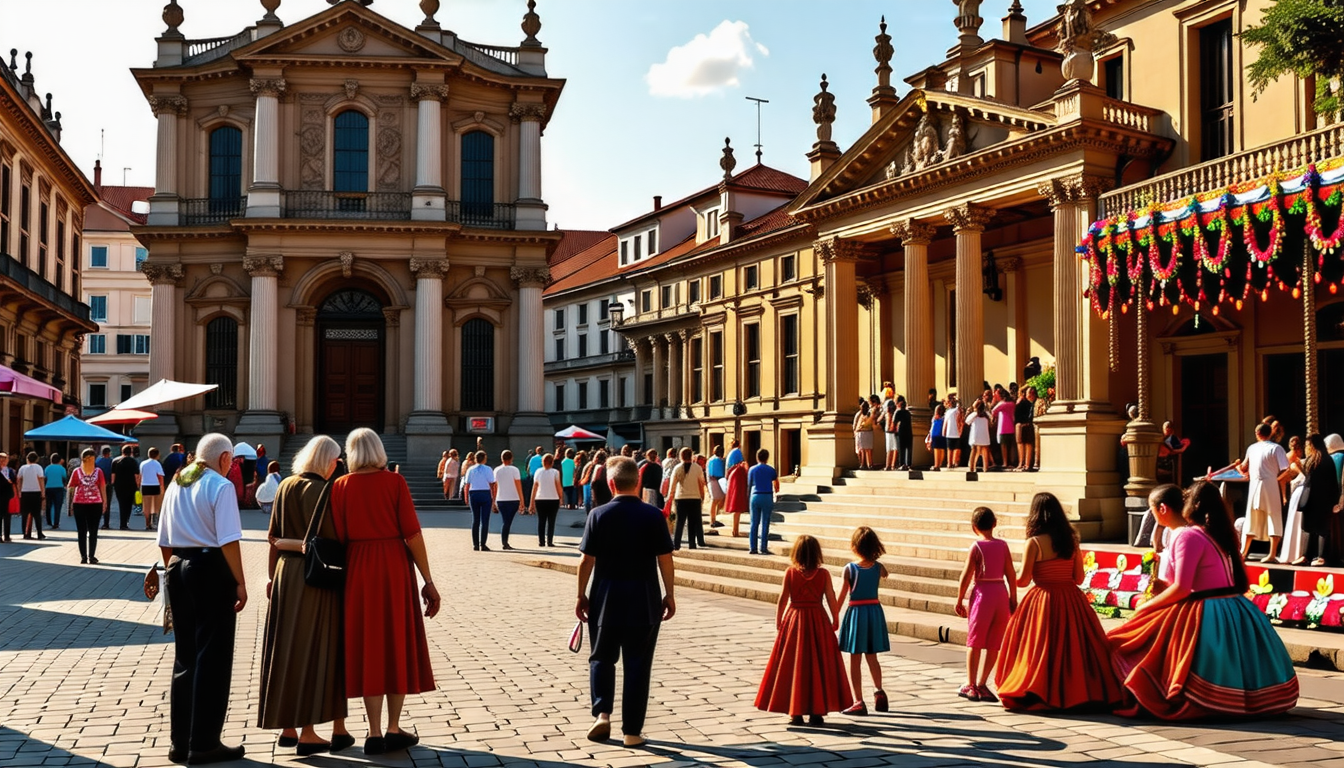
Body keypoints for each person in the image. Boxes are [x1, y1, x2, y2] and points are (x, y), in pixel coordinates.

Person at [1109, 481, 1298, 718]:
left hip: (1206, 609)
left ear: (1190, 505)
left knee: (1124, 641)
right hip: (1236, 608)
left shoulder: (1187, 535)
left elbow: (1182, 588)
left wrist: (1145, 607)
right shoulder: (1221, 534)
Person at [329, 428, 439, 755]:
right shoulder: (395, 482)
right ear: (378, 451)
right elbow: (412, 534)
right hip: (393, 569)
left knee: (369, 646)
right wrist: (428, 580)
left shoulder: (340, 486)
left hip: (357, 569)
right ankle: (393, 727)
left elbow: (338, 536)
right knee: (396, 643)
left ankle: (373, 732)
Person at [153, 433, 248, 764]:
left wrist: (172, 575)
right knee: (213, 657)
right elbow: (229, 540)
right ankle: (205, 742)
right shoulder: (220, 487)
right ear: (224, 459)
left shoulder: (178, 481)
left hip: (178, 565)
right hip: (210, 567)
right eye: (232, 460)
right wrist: (240, 582)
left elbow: (163, 539)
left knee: (185, 656)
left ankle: (180, 742)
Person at [258, 435, 353, 756]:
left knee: (286, 649)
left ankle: (288, 727)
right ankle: (310, 732)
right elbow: (338, 539)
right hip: (317, 576)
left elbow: (271, 537)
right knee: (319, 650)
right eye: (336, 460)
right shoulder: (329, 491)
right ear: (328, 461)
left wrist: (271, 578)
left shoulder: (284, 485)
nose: (338, 465)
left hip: (285, 573)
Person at [577, 456, 676, 747]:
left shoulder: (598, 514)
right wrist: (669, 593)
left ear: (611, 484)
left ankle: (603, 714)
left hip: (605, 599)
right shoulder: (654, 515)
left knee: (601, 658)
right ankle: (632, 732)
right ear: (639, 482)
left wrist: (580, 594)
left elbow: (586, 560)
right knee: (637, 664)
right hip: (644, 599)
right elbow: (665, 560)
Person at [996, 492, 1123, 711]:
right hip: (1071, 598)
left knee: (1041, 649)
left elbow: (1023, 580)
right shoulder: (1071, 540)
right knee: (1076, 647)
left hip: (1043, 600)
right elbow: (1080, 578)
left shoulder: (1034, 543)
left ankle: (1040, 691)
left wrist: (1006, 571)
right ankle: (1077, 693)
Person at [755, 535, 853, 725]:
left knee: (795, 664)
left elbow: (783, 598)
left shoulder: (790, 573)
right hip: (817, 619)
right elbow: (831, 597)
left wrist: (779, 620)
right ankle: (817, 711)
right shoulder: (823, 574)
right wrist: (835, 618)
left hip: (795, 620)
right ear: (817, 553)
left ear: (796, 553)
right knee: (818, 664)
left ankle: (795, 712)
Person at [954, 507, 1016, 702]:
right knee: (994, 642)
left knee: (975, 641)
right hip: (1000, 592)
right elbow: (1011, 573)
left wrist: (959, 598)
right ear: (994, 523)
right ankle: (982, 683)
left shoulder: (976, 547)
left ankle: (970, 684)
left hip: (983, 593)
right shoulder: (1003, 546)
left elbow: (967, 574)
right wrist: (1013, 598)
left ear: (974, 527)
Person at [837, 527, 890, 716]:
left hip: (857, 612)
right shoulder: (878, 567)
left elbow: (843, 595)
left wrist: (834, 614)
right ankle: (879, 691)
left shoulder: (850, 569)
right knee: (872, 656)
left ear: (854, 546)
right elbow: (884, 573)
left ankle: (858, 700)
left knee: (855, 657)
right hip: (874, 612)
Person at [1237, 422, 1292, 563]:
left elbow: (1243, 467)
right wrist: (1275, 478)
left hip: (1258, 483)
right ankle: (1266, 554)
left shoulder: (1256, 448)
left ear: (1257, 433)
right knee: (1270, 515)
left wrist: (1240, 468)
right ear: (1270, 433)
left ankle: (1247, 552)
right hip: (1266, 483)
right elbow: (1286, 469)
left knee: (1255, 515)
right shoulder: (1274, 448)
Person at [1294, 435, 1339, 567]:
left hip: (1311, 498)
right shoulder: (1327, 460)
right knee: (1321, 528)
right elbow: (1333, 482)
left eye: (1308, 445)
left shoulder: (1312, 460)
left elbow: (1309, 480)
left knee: (1309, 528)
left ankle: (1308, 556)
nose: (1307, 448)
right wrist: (1335, 499)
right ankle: (1319, 556)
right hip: (1323, 498)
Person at [669, 447, 707, 551]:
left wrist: (670, 498)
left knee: (680, 522)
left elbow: (672, 485)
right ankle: (692, 543)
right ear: (691, 455)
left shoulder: (677, 468)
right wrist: (702, 496)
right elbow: (702, 482)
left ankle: (676, 544)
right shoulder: (697, 468)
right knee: (693, 522)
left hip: (680, 498)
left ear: (680, 456)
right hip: (695, 498)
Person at [464, 450, 497, 552]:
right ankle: (483, 544)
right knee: (485, 520)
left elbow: (467, 484)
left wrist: (466, 497)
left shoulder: (470, 469)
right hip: (485, 493)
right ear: (484, 459)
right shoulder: (488, 469)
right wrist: (494, 497)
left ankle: (475, 545)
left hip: (473, 493)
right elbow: (492, 484)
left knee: (475, 520)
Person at [748, 449, 779, 556]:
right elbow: (776, 483)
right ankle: (763, 547)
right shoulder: (771, 470)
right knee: (765, 523)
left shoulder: (752, 469)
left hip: (755, 495)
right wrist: (776, 492)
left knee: (754, 523)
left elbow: (749, 484)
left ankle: (753, 547)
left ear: (757, 457)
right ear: (767, 458)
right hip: (767, 495)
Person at [529, 453, 563, 547]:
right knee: (551, 521)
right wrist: (561, 497)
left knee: (541, 521)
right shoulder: (555, 472)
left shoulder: (538, 472)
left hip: (540, 498)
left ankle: (541, 541)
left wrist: (531, 503)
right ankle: (550, 541)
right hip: (553, 499)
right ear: (552, 462)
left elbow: (534, 487)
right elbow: (558, 486)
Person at [494, 450, 523, 550]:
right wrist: (522, 501)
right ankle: (504, 542)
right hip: (513, 498)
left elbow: (495, 486)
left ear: (502, 459)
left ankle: (505, 541)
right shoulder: (515, 470)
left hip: (501, 499)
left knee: (505, 521)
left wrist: (494, 500)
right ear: (511, 458)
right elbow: (518, 486)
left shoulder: (497, 470)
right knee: (507, 521)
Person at [109, 445, 140, 530]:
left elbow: (113, 475)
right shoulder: (134, 461)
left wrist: (113, 484)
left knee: (121, 504)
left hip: (119, 486)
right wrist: (138, 486)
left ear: (122, 451)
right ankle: (126, 522)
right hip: (131, 485)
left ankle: (122, 523)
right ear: (131, 452)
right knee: (129, 504)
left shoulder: (115, 461)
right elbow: (136, 475)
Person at [16, 452, 46, 540]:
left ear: (27, 459)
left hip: (25, 492)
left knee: (24, 514)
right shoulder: (38, 468)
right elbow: (41, 480)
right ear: (36, 459)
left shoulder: (23, 468)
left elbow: (19, 480)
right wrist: (43, 493)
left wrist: (19, 491)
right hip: (36, 492)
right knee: (37, 514)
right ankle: (39, 533)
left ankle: (25, 533)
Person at [138, 447, 166, 531]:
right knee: (155, 505)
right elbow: (160, 476)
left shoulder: (143, 463)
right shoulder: (157, 464)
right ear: (157, 455)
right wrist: (162, 487)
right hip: (155, 485)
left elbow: (140, 476)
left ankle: (147, 524)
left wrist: (139, 486)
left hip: (145, 485)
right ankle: (154, 522)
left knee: (146, 506)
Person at [965, 401, 993, 473]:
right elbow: (992, 419)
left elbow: (967, 421)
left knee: (974, 451)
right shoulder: (986, 414)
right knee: (985, 450)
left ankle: (972, 468)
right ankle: (985, 468)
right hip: (984, 435)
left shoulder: (974, 414)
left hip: (975, 435)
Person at [992, 389, 1017, 471]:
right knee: (1011, 446)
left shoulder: (1002, 404)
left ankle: (1005, 462)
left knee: (1004, 446)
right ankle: (1012, 461)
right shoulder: (1012, 403)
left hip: (1003, 427)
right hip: (1011, 426)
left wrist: (994, 401)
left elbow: (993, 411)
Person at [725, 458, 748, 539]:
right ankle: (735, 531)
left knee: (736, 513)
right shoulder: (740, 470)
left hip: (735, 493)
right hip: (738, 493)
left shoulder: (735, 469)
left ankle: (735, 530)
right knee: (737, 512)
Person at [44, 453, 67, 530]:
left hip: (48, 488)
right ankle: (56, 523)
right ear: (59, 460)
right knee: (58, 506)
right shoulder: (62, 468)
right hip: (59, 488)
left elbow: (44, 477)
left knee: (48, 506)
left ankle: (49, 521)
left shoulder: (47, 468)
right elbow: (64, 477)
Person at [95, 447, 114, 529]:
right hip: (108, 484)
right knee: (107, 504)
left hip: (98, 485)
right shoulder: (111, 462)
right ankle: (106, 523)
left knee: (98, 503)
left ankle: (96, 522)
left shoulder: (97, 461)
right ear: (109, 453)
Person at [943, 395, 963, 468]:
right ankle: (949, 463)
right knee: (950, 449)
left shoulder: (956, 410)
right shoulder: (948, 412)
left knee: (956, 448)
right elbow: (946, 422)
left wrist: (957, 400)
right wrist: (944, 431)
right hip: (949, 432)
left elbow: (960, 407)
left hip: (956, 432)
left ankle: (955, 462)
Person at [853, 401, 874, 470]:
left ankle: (869, 464)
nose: (863, 408)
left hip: (867, 432)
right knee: (861, 450)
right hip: (860, 433)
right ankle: (862, 464)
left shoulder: (870, 414)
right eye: (862, 407)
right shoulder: (859, 414)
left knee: (868, 450)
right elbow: (855, 424)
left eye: (864, 407)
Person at [927, 404, 947, 471]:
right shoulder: (944, 418)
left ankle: (936, 465)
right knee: (941, 450)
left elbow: (932, 428)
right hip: (942, 434)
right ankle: (940, 464)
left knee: (936, 450)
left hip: (935, 434)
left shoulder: (934, 418)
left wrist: (929, 437)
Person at [0, 453, 14, 542]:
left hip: (8, 495)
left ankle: (7, 535)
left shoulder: (10, 470)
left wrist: (11, 480)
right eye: (2, 460)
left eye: (6, 460)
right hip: (0, 494)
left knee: (7, 515)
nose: (4, 462)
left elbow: (13, 479)